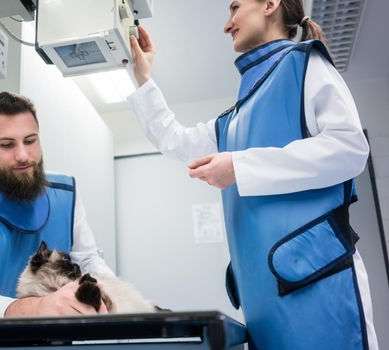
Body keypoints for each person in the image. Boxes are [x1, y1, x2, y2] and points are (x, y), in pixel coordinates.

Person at [127, 0, 378, 349]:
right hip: (264, 299)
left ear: (270, 4)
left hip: (319, 290)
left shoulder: (305, 64)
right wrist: (142, 77)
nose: (227, 24)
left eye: (234, 8)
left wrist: (241, 167)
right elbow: (175, 140)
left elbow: (349, 148)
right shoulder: (232, 120)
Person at [0, 92, 114, 318]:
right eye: (7, 145)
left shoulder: (65, 194)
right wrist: (41, 307)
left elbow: (89, 260)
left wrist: (117, 302)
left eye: (30, 141)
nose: (23, 155)